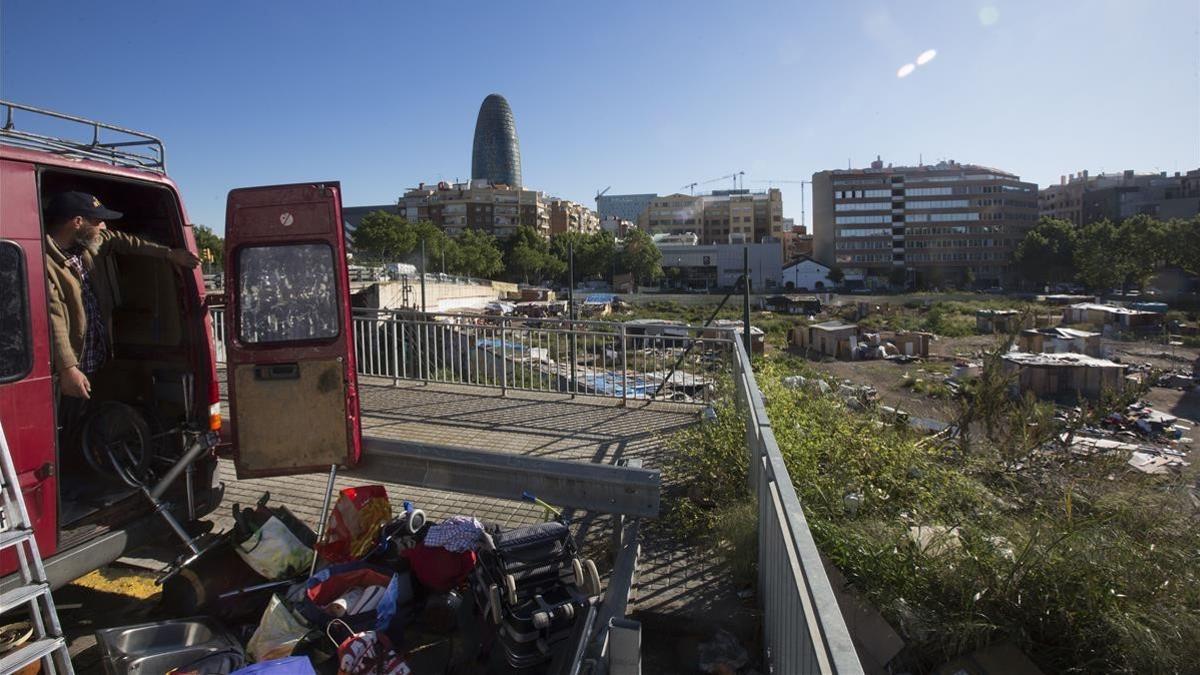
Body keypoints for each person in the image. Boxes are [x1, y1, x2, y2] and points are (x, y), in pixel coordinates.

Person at [44, 191, 200, 403]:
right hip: (73, 371)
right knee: (69, 422)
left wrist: (169, 254)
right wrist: (68, 369)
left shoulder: (88, 244)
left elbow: (125, 242)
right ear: (77, 222)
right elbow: (53, 320)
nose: (103, 227)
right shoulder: (46, 262)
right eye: (98, 221)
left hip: (99, 359)